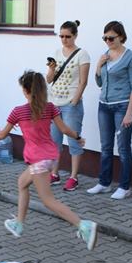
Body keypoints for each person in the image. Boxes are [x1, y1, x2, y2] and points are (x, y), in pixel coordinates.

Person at [0, 71, 99, 250]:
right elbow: (64, 129)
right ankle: (18, 223)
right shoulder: (50, 108)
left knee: (48, 200)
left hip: (38, 160)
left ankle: (84, 225)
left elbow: (1, 135)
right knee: (22, 183)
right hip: (50, 157)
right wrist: (78, 137)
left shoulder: (18, 111)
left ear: (25, 90)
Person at [88, 20, 132, 200]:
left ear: (121, 37)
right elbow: (99, 83)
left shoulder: (131, 58)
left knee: (123, 148)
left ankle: (124, 187)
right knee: (105, 147)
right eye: (105, 38)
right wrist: (98, 65)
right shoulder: (105, 55)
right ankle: (104, 183)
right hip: (104, 106)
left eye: (111, 38)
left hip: (122, 106)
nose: (108, 41)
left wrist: (129, 113)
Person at [46, 20, 90, 191]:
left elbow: (83, 81)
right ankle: (54, 174)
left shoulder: (82, 54)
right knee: (54, 141)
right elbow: (49, 79)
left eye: (68, 36)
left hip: (71, 104)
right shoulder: (56, 53)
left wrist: (75, 101)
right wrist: (51, 68)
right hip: (54, 104)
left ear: (75, 35)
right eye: (61, 36)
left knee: (73, 140)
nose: (64, 40)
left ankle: (73, 177)